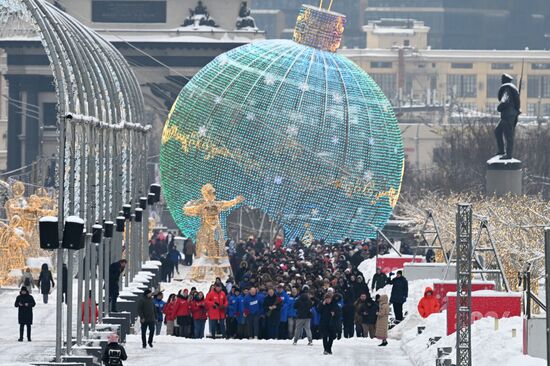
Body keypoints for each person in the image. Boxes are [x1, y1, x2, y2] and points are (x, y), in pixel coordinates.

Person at [494, 73, 521, 160]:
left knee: (508, 135)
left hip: (508, 116)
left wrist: (499, 107)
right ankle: (501, 150)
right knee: (498, 131)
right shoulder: (511, 88)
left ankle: (508, 154)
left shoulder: (507, 89)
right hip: (508, 116)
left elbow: (505, 101)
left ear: (504, 81)